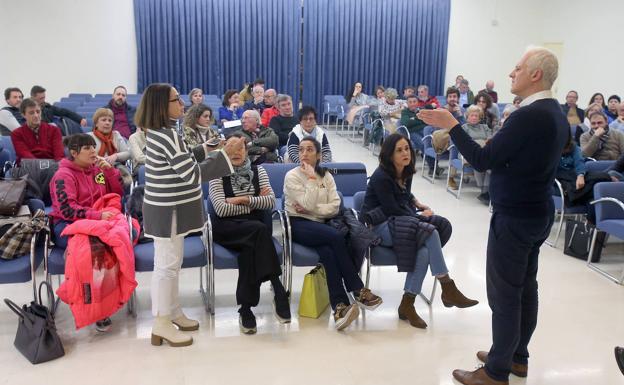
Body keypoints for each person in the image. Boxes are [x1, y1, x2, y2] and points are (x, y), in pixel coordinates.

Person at [418, 46, 568, 385]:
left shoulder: (529, 115)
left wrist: (452, 125)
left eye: (517, 67)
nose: (510, 74)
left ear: (535, 75)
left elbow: (484, 160)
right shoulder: (555, 113)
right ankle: (516, 356)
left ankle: (496, 370)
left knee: (505, 294)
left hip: (515, 216)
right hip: (538, 210)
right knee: (525, 288)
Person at [135, 83, 244, 348]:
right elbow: (193, 174)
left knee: (172, 263)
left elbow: (182, 160)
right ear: (162, 105)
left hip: (174, 207)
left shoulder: (166, 132)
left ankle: (172, 311)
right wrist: (225, 155)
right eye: (176, 100)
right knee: (166, 266)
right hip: (168, 208)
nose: (182, 104)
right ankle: (161, 323)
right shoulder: (166, 135)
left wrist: (207, 148)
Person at [361, 133, 477, 329]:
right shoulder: (382, 176)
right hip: (377, 227)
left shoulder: (405, 171)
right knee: (430, 231)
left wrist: (415, 203)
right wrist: (419, 216)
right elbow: (392, 209)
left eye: (406, 148)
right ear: (389, 155)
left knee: (424, 249)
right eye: (399, 150)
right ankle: (447, 286)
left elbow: (404, 197)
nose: (405, 153)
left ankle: (407, 304)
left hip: (398, 222)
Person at [284, 137, 382, 330]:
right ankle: (357, 288)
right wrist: (311, 179)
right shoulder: (292, 176)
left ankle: (340, 307)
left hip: (322, 225)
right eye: (301, 150)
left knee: (328, 253)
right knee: (336, 237)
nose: (304, 154)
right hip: (298, 224)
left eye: (310, 150)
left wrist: (312, 209)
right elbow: (307, 205)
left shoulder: (327, 175)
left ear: (319, 155)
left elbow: (335, 207)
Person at [208, 134, 290, 334]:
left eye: (240, 148)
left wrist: (240, 200)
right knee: (259, 229)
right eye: (231, 148)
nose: (236, 153)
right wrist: (253, 201)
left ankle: (245, 309)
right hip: (227, 228)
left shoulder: (258, 170)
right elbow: (220, 209)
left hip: (253, 231)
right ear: (224, 151)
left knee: (249, 250)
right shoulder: (216, 173)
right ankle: (277, 288)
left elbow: (270, 201)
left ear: (246, 151)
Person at [48, 133, 125, 332]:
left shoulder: (95, 171)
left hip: (96, 221)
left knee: (118, 241)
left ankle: (110, 299)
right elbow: (67, 210)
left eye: (93, 146)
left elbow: (115, 192)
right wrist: (96, 215)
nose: (94, 151)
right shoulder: (63, 176)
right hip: (68, 225)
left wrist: (109, 173)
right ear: (74, 153)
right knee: (94, 252)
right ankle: (94, 306)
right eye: (88, 148)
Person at [452, 105, 492, 199]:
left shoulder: (485, 127)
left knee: (488, 163)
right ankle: (483, 190)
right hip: (467, 153)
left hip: (484, 151)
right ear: (467, 116)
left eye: (476, 116)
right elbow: (463, 143)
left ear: (480, 118)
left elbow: (490, 138)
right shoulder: (464, 127)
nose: (474, 117)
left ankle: (485, 190)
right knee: (478, 159)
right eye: (472, 115)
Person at [11, 98, 64, 165]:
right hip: (29, 167)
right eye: (31, 113)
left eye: (38, 112)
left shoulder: (54, 130)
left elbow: (59, 154)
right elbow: (24, 154)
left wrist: (56, 167)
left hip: (52, 165)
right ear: (23, 115)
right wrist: (40, 166)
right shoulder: (17, 134)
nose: (36, 115)